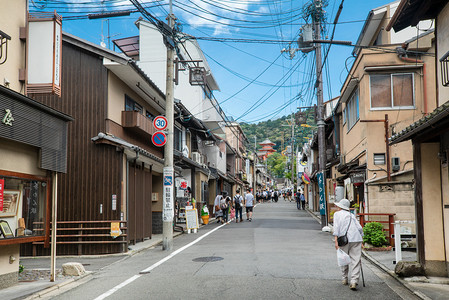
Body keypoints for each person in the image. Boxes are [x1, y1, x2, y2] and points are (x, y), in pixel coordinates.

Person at [333, 199, 364, 290]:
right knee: (356, 260)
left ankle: (344, 278)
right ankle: (354, 281)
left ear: (340, 206)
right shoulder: (351, 215)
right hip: (356, 238)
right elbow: (359, 228)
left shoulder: (337, 214)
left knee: (343, 258)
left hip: (344, 240)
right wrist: (362, 239)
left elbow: (336, 228)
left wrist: (336, 241)